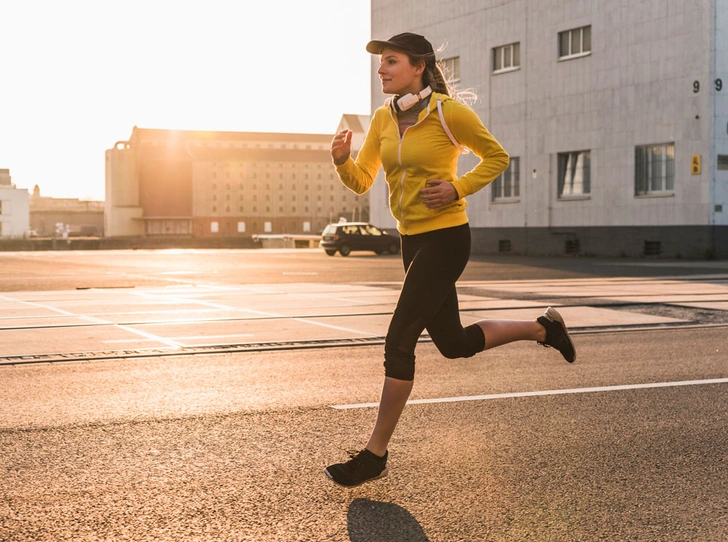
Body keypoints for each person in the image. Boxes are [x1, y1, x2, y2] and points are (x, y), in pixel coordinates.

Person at [325, 32, 576, 487]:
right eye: (381, 63)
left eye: (391, 62)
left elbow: (497, 157)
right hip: (411, 240)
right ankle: (545, 328)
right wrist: (343, 160)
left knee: (399, 342)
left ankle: (374, 455)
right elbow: (363, 182)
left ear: (419, 66)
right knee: (454, 343)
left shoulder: (449, 113)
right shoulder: (383, 119)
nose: (381, 70)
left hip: (446, 238)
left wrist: (458, 188)